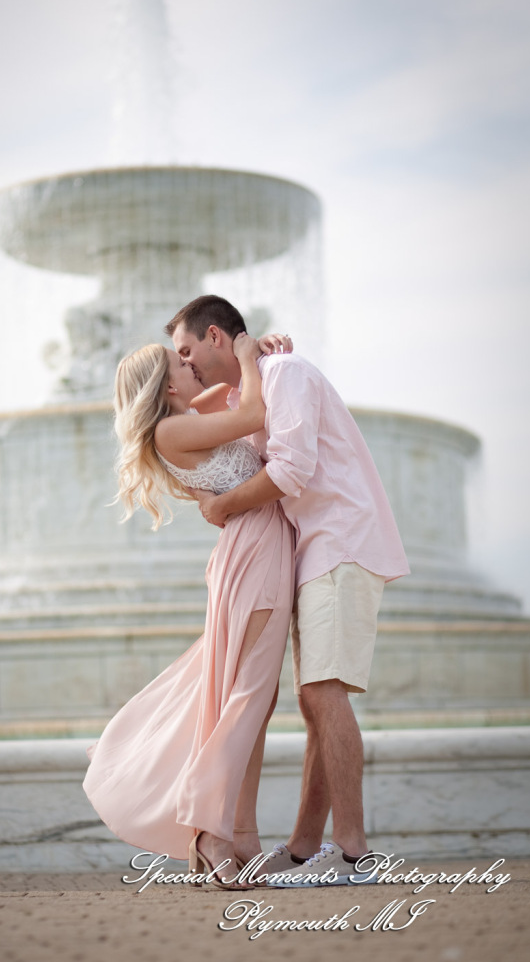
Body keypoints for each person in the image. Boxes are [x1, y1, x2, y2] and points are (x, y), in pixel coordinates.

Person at [166, 294, 410, 887]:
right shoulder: (254, 381)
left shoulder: (286, 373)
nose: (185, 362)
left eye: (187, 349)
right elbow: (201, 404)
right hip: (311, 548)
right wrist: (251, 353)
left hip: (340, 540)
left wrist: (220, 505)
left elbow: (292, 471)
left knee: (325, 693)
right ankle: (305, 849)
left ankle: (352, 854)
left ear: (217, 336)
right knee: (313, 699)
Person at [82, 331, 296, 888]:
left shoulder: (185, 416)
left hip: (254, 545)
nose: (188, 361)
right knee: (248, 694)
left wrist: (255, 357)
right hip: (254, 549)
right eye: (177, 361)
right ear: (164, 384)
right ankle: (209, 831)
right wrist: (248, 357)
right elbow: (250, 409)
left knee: (253, 693)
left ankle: (239, 836)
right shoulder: (171, 429)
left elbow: (229, 392)